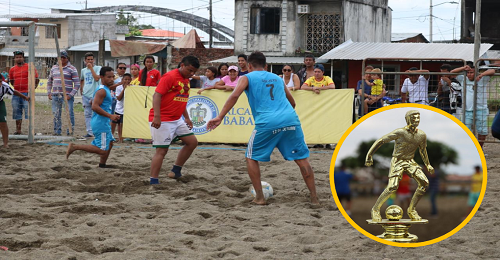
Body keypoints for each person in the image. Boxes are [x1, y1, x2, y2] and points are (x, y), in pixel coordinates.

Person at [207, 51, 320, 205]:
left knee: (251, 157)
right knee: (302, 159)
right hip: (291, 119)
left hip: (267, 121)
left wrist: (220, 116)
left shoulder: (246, 77)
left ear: (249, 66)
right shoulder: (277, 78)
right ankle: (314, 198)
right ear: (266, 65)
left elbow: (234, 95)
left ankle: (260, 197)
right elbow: (292, 102)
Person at [365, 110, 434, 221]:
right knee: (392, 186)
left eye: (418, 118)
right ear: (407, 119)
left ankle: (411, 210)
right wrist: (369, 155)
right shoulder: (400, 132)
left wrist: (428, 164)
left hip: (410, 161)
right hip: (397, 161)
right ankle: (375, 209)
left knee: (424, 182)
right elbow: (381, 140)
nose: (416, 120)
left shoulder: (421, 135)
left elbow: (423, 150)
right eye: (413, 118)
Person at [149, 56, 200, 184]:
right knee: (162, 150)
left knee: (192, 142)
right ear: (182, 65)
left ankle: (175, 170)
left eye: (194, 71)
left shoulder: (186, 79)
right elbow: (157, 95)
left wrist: (187, 118)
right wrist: (157, 116)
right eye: (190, 70)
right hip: (164, 118)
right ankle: (153, 180)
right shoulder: (170, 76)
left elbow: (180, 99)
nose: (192, 74)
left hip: (177, 119)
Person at [66, 67, 120, 167]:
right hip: (101, 123)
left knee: (110, 143)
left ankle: (102, 165)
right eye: (109, 77)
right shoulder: (102, 91)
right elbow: (94, 107)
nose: (112, 79)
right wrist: (110, 115)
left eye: (113, 77)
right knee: (102, 150)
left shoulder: (104, 88)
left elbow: (93, 102)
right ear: (102, 77)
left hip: (103, 121)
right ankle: (75, 147)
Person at [450, 65, 496, 149]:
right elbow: (452, 72)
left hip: (480, 109)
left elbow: (492, 71)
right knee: (465, 130)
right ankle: (469, 148)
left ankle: (479, 149)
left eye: (472, 72)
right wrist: (463, 68)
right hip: (467, 109)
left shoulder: (482, 79)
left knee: (482, 131)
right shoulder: (463, 79)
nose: (469, 74)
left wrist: (481, 75)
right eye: (468, 72)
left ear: (476, 73)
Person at [47, 51, 80, 136]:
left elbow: (77, 84)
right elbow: (49, 81)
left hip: (66, 96)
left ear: (67, 58)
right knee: (56, 113)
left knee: (69, 113)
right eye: (60, 57)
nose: (61, 59)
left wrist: (70, 95)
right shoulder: (54, 68)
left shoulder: (72, 68)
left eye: (63, 57)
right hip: (55, 95)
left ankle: (70, 130)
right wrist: (49, 92)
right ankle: (57, 131)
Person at [9, 50, 39, 135]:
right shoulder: (12, 69)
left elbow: (37, 79)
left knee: (28, 112)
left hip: (27, 94)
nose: (19, 59)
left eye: (20, 57)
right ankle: (18, 130)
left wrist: (32, 90)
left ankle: (31, 130)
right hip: (16, 94)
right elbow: (11, 81)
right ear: (14, 59)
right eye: (17, 57)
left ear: (23, 58)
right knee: (17, 112)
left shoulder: (30, 67)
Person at [0, 81, 30, 148]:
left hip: (0, 102)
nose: (0, 84)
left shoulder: (5, 86)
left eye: (0, 82)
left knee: (3, 123)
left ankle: (5, 144)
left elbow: (14, 92)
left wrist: (24, 97)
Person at [80, 52, 101, 138]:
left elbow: (96, 78)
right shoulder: (83, 70)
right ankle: (89, 132)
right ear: (85, 61)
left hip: (95, 94)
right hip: (86, 94)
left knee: (96, 114)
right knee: (87, 114)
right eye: (88, 59)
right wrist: (81, 89)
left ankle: (96, 131)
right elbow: (82, 79)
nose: (90, 61)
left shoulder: (98, 68)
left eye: (91, 59)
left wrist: (91, 68)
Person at [112, 73, 131, 143]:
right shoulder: (119, 87)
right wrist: (124, 89)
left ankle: (121, 138)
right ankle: (113, 136)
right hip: (118, 108)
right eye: (125, 79)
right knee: (115, 123)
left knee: (122, 124)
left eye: (129, 79)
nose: (127, 81)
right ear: (122, 80)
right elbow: (119, 98)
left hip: (126, 109)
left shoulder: (132, 87)